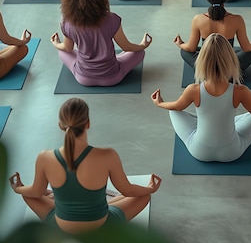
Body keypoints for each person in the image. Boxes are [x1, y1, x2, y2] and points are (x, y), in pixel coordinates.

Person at [9, 98, 161, 234]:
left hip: (61, 228)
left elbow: (36, 192)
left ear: (60, 125)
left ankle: (59, 201)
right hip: (102, 227)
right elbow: (128, 190)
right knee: (142, 196)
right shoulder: (107, 155)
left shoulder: (44, 157)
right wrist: (150, 189)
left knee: (28, 194)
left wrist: (18, 188)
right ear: (88, 123)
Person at [151, 33, 251, 162]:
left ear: (202, 61)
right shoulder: (240, 91)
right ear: (231, 60)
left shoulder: (193, 90)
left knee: (172, 109)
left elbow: (176, 106)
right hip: (232, 152)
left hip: (199, 151)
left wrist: (159, 103)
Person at [50, 0, 151, 86]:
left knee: (61, 52)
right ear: (101, 0)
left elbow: (67, 48)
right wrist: (142, 45)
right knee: (140, 52)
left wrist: (56, 44)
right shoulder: (112, 19)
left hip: (83, 78)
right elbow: (127, 47)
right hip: (113, 77)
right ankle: (118, 58)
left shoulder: (68, 24)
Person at [174, 0, 251, 71]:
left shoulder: (198, 19)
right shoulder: (237, 20)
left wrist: (180, 44)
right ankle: (228, 76)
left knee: (184, 51)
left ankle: (207, 74)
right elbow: (247, 48)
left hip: (206, 68)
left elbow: (191, 48)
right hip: (228, 69)